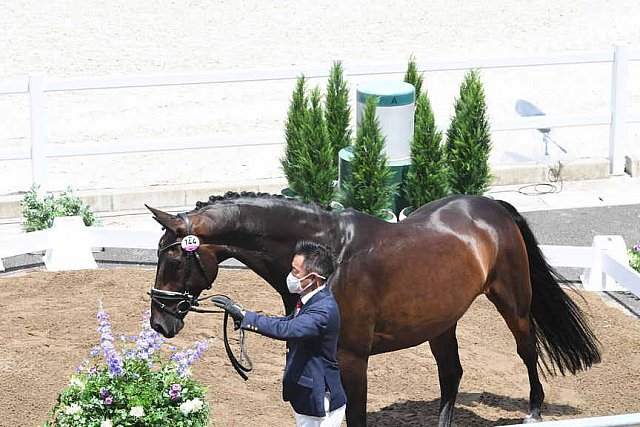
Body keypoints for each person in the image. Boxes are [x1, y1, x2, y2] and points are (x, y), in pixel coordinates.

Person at [212, 240, 347, 427]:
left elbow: (288, 329)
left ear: (314, 278)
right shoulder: (310, 299)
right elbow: (288, 322)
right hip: (307, 395)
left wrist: (246, 317)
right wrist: (243, 317)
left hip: (319, 399)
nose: (290, 276)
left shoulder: (322, 310)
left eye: (295, 272)